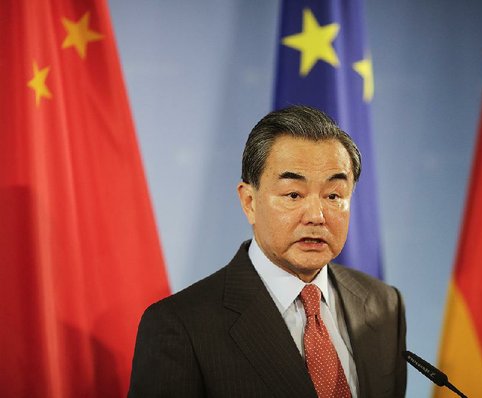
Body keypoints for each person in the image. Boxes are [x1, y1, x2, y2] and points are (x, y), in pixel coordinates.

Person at [128, 105, 406, 397]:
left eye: (333, 195)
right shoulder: (181, 326)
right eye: (293, 194)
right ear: (249, 202)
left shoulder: (384, 305)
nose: (316, 215)